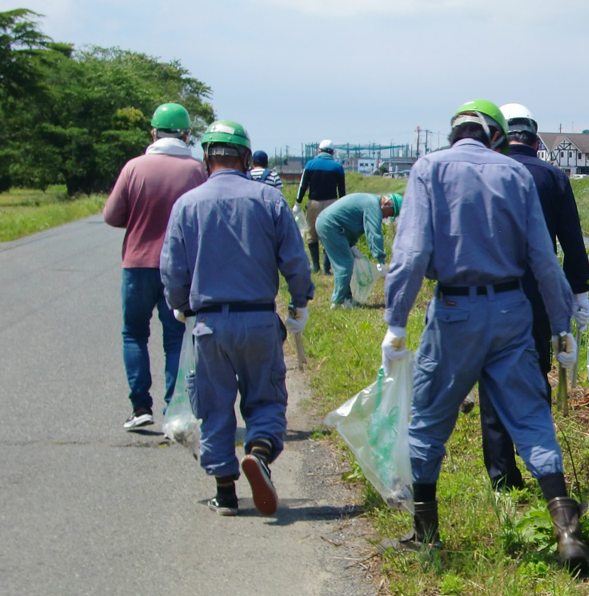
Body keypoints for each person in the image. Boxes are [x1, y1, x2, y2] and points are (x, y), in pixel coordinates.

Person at [381, 99, 589, 573]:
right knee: (531, 416)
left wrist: (396, 322)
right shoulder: (515, 173)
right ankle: (566, 529)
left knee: (429, 420)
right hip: (512, 308)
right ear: (495, 135)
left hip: (455, 309)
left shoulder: (428, 169)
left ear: (454, 131)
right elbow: (543, 257)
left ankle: (425, 532)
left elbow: (412, 253)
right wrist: (562, 326)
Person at [160, 119, 314, 517]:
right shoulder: (268, 200)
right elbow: (295, 260)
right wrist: (300, 301)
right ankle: (260, 451)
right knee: (265, 396)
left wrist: (180, 305)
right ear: (245, 158)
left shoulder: (187, 205)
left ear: (206, 157)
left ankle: (225, 493)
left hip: (209, 323)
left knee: (213, 406)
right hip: (259, 320)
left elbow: (173, 268)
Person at [477, 103, 589, 490]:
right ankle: (543, 467)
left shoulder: (485, 172)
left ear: (499, 134)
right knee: (535, 375)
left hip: (489, 294)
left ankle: (502, 477)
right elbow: (571, 242)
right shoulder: (553, 177)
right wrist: (579, 294)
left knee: (493, 378)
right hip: (539, 294)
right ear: (535, 137)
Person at [104, 102, 208, 430]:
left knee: (134, 333)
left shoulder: (134, 167)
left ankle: (139, 408)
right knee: (176, 338)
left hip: (136, 264)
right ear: (187, 135)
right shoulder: (195, 171)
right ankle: (173, 410)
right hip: (179, 269)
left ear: (153, 132)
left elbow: (112, 216)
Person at [314, 192, 401, 309]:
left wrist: (352, 246)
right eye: (390, 214)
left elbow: (350, 223)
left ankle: (347, 299)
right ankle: (338, 302)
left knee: (346, 262)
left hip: (329, 224)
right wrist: (381, 260)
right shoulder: (373, 206)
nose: (386, 217)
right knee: (344, 264)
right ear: (387, 204)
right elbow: (374, 234)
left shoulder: (370, 202)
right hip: (330, 225)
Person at [295, 139, 346, 274]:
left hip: (314, 203)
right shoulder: (337, 167)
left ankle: (316, 266)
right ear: (333, 152)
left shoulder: (310, 164)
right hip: (332, 204)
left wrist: (298, 203)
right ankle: (326, 268)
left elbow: (303, 185)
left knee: (312, 234)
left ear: (319, 151)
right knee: (330, 235)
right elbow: (342, 190)